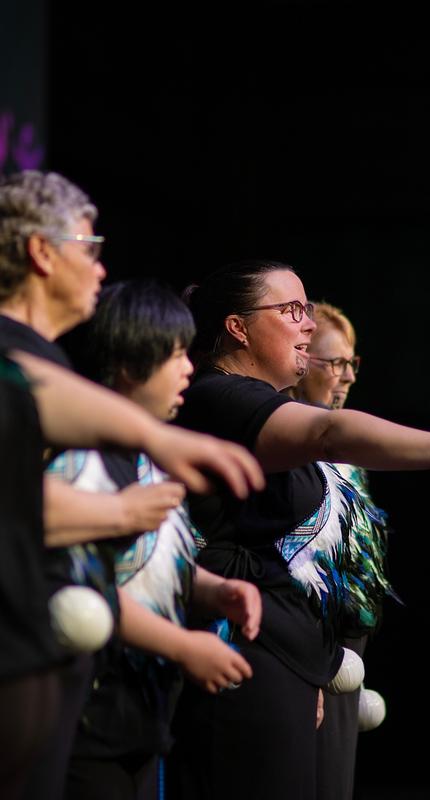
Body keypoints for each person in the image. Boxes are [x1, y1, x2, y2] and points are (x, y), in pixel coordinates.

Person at [167, 259, 430, 800]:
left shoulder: (259, 404)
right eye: (291, 311)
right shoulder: (221, 397)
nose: (307, 323)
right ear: (237, 327)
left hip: (276, 660)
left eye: (307, 310)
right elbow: (330, 432)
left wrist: (307, 663)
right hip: (236, 655)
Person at [0, 171, 264, 800]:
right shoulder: (17, 361)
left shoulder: (42, 365)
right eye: (88, 247)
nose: (99, 267)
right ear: (41, 251)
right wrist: (121, 507)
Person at [45, 280, 262, 799]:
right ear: (127, 362)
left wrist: (212, 590)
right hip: (85, 723)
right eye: (174, 355)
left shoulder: (146, 456)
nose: (189, 368)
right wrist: (183, 645)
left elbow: (152, 565)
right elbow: (84, 582)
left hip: (140, 719)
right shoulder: (80, 462)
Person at [290, 300, 394, 800]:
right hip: (304, 654)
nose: (347, 376)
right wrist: (309, 666)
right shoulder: (284, 458)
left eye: (352, 363)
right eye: (334, 363)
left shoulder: (350, 459)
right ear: (297, 359)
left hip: (345, 656)